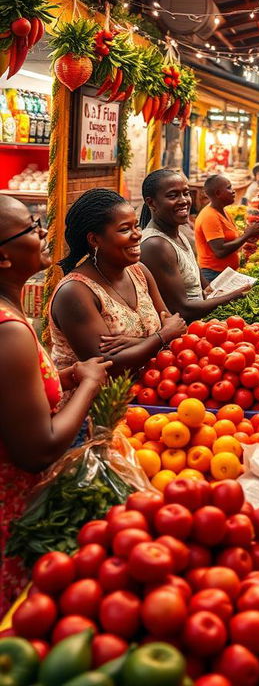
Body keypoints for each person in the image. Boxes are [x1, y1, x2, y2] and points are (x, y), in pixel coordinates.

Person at [0, 197, 111, 610]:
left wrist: (62, 379)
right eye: (31, 228)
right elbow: (38, 449)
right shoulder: (9, 330)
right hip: (16, 515)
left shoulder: (12, 316)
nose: (44, 231)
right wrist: (88, 383)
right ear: (3, 259)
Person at [50, 190, 186, 382]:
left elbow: (177, 330)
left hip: (146, 392)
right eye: (124, 229)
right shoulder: (75, 292)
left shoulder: (139, 272)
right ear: (94, 239)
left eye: (136, 226)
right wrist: (161, 337)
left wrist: (139, 342)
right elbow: (106, 366)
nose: (137, 235)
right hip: (95, 407)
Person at [139, 169, 249, 320]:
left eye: (186, 193)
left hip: (199, 326)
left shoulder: (179, 235)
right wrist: (233, 296)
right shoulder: (156, 245)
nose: (184, 200)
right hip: (182, 335)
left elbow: (201, 288)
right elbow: (182, 310)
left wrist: (213, 291)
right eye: (173, 195)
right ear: (151, 202)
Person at [195, 174, 259, 283]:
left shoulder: (224, 211)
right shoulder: (209, 216)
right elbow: (220, 251)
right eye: (228, 188)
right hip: (214, 273)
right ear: (218, 193)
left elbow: (231, 239)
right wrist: (247, 235)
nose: (233, 191)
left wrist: (247, 236)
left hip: (225, 271)